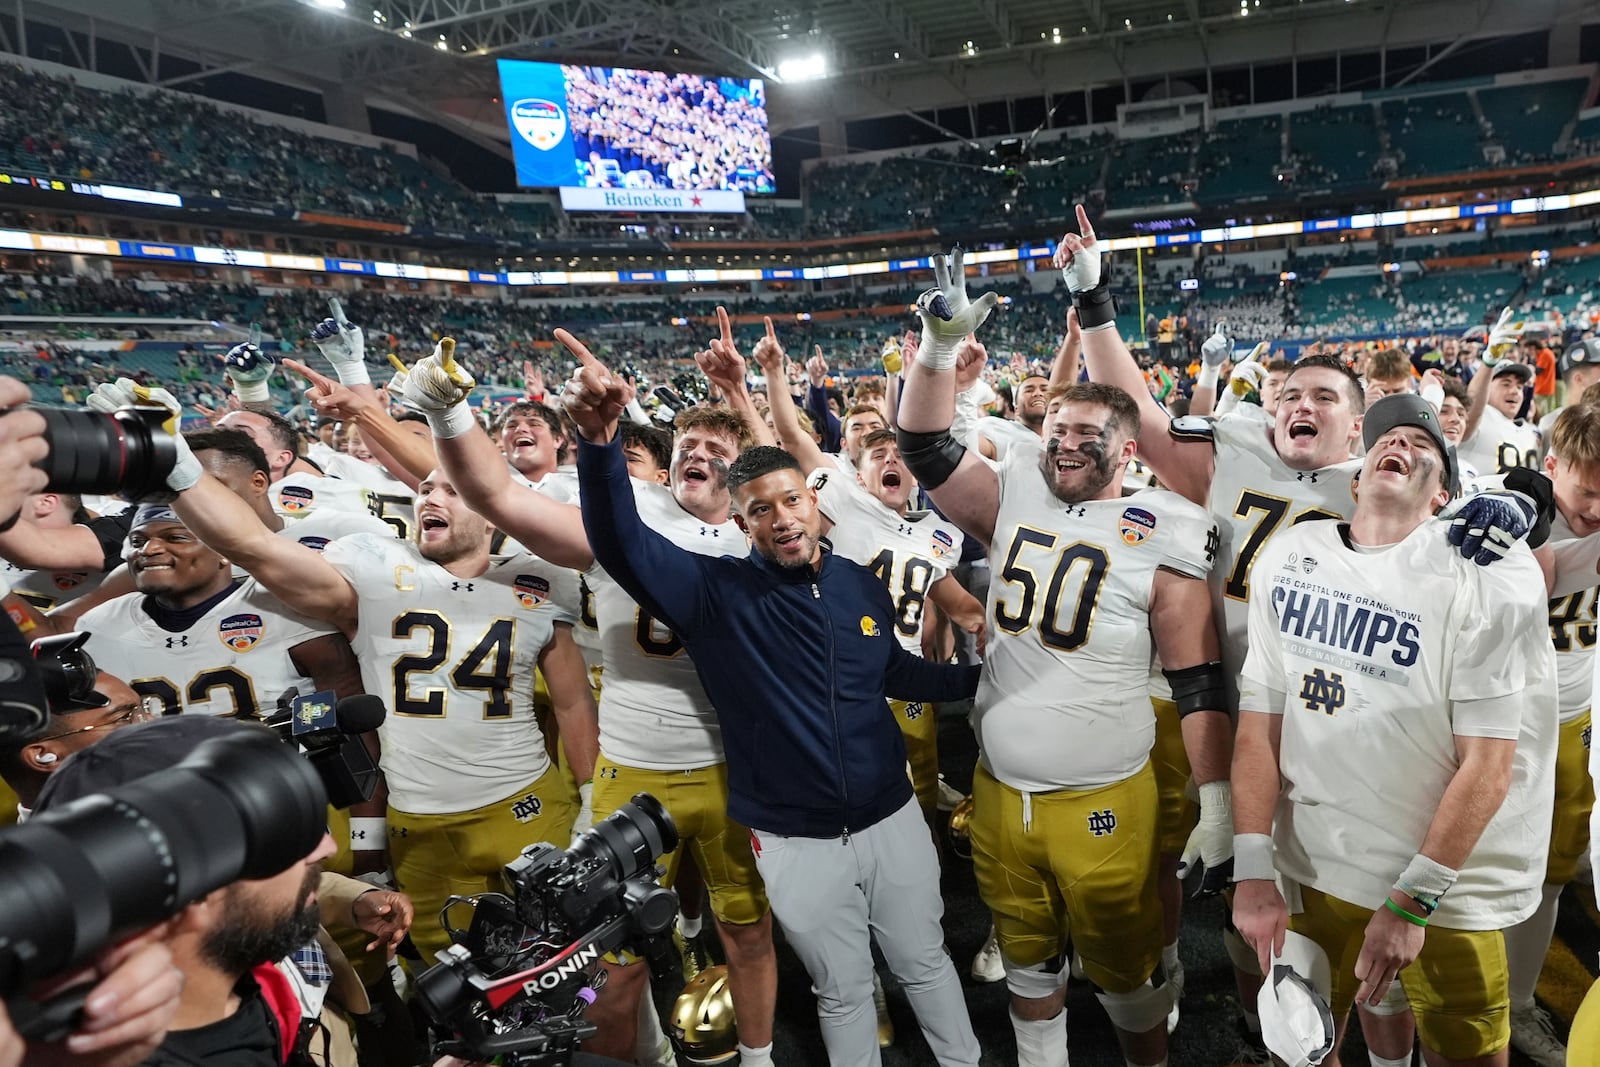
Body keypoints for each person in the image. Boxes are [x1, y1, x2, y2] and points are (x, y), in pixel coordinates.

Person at [553, 336, 984, 1067]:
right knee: (843, 988)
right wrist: (598, 448)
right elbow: (620, 542)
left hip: (891, 814)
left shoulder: (855, 580)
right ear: (741, 522)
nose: (782, 518)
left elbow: (891, 674)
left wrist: (982, 678)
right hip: (794, 838)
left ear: (813, 503)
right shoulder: (713, 593)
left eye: (792, 500)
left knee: (926, 961)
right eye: (762, 509)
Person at [398, 334, 779, 1065]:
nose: (700, 452)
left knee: (750, 931)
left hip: (740, 769)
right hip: (632, 771)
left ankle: (758, 1057)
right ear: (670, 464)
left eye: (718, 446)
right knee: (603, 959)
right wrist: (449, 414)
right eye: (689, 443)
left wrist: (747, 398)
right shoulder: (623, 519)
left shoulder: (766, 536)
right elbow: (498, 494)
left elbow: (805, 482)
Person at [896, 262, 1233, 1067]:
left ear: (1128, 450)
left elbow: (1197, 679)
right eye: (1058, 430)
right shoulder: (1015, 489)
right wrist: (936, 352)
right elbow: (923, 442)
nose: (1067, 443)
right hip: (1001, 792)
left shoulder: (1165, 527)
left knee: (1128, 975)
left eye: (1089, 435)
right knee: (1026, 961)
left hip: (1103, 795)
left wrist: (1216, 798)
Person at [1231, 393, 1556, 1067]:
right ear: (1356, 477)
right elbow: (1257, 731)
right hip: (1316, 859)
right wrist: (1253, 866)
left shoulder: (1483, 574)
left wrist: (1411, 904)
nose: (1399, 444)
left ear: (1445, 496)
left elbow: (1489, 766)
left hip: (1444, 886)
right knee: (1308, 1043)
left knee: (1466, 1055)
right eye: (1386, 437)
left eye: (1422, 444)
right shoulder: (1288, 556)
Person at [0, 633, 155, 819]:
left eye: (143, 709)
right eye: (123, 718)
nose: (151, 720)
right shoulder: (55, 847)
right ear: (44, 756)